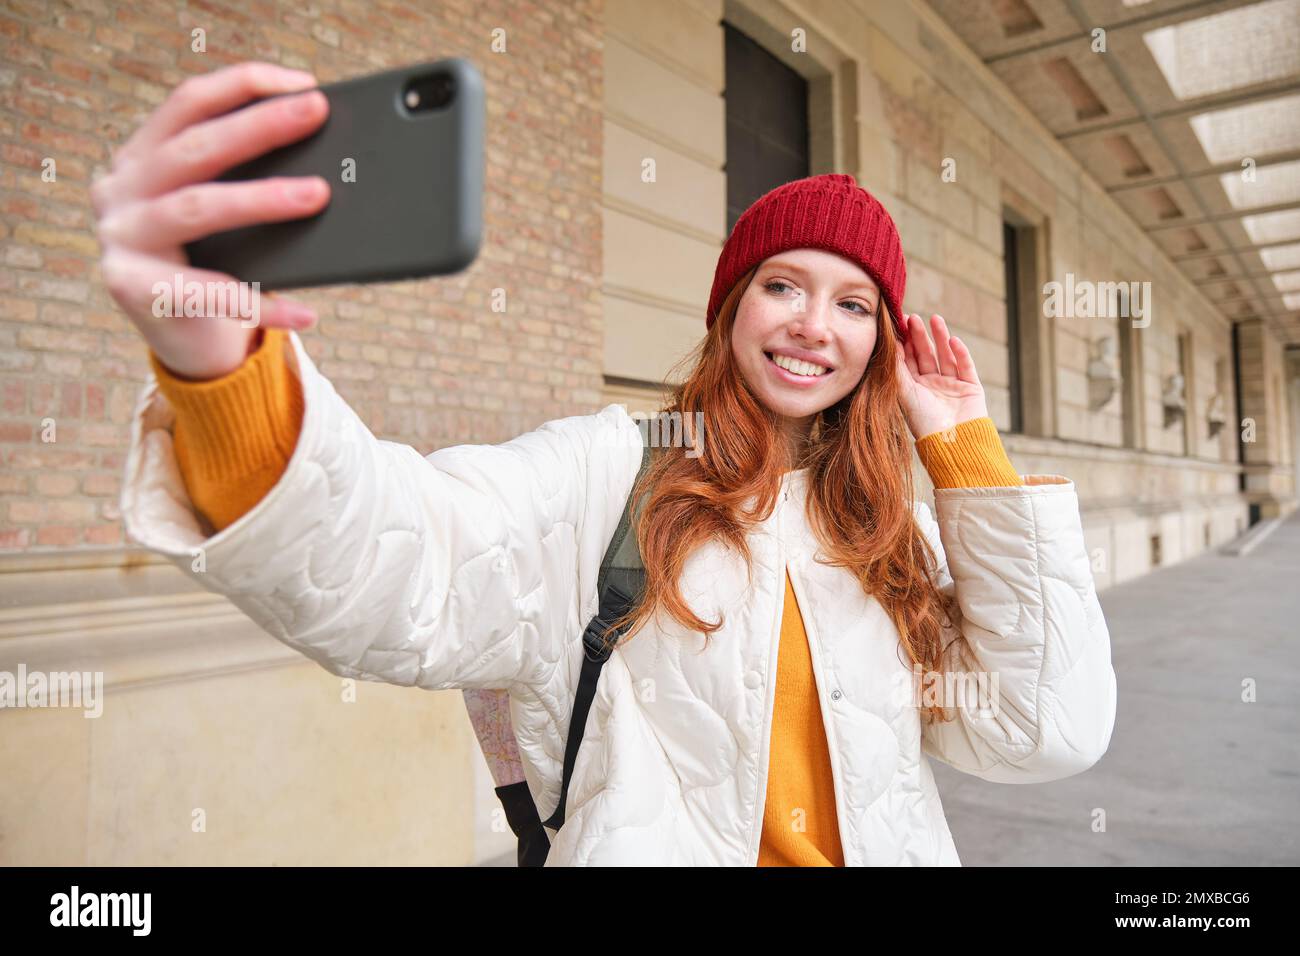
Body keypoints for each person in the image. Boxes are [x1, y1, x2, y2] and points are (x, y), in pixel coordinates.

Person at [96, 62, 1117, 866]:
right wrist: (221, 366)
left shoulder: (884, 523)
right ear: (729, 309)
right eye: (781, 286)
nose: (814, 325)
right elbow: (402, 562)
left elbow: (1045, 730)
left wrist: (963, 452)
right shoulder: (615, 472)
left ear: (879, 344)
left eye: (852, 304)